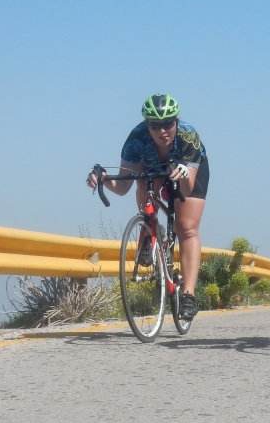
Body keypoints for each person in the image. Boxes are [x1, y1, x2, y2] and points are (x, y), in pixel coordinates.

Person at [86, 94, 209, 320]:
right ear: (147, 125)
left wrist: (183, 173)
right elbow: (122, 187)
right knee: (143, 182)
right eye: (155, 126)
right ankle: (149, 229)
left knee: (186, 227)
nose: (162, 131)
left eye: (168, 124)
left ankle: (189, 295)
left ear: (176, 122)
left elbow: (188, 188)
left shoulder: (188, 136)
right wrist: (103, 177)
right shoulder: (136, 139)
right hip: (154, 166)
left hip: (187, 172)